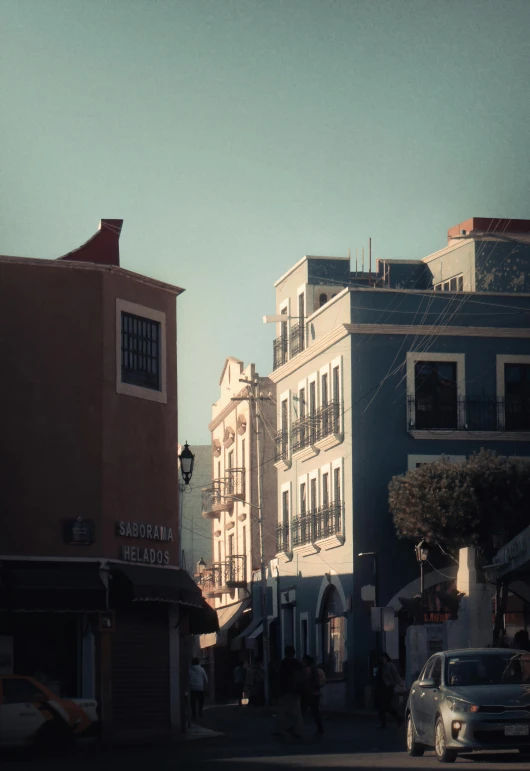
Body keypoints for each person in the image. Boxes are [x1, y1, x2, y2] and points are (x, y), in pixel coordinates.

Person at [273, 645, 304, 739]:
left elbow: (279, 678)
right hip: (296, 690)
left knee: (283, 711)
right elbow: (302, 677)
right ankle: (297, 730)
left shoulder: (283, 663)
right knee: (296, 711)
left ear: (285, 653)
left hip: (285, 690)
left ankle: (283, 729)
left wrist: (277, 691)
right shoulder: (298, 663)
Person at [375, 652, 403, 729]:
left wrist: (401, 684)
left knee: (386, 706)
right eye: (381, 658)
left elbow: (395, 675)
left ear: (386, 658)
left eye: (383, 658)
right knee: (381, 707)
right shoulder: (380, 667)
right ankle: (383, 723)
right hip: (380, 689)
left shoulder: (390, 665)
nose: (382, 659)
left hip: (388, 688)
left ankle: (398, 718)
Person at [301, 654, 324, 735]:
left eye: (303, 660)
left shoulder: (308, 669)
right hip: (315, 693)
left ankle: (296, 728)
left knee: (301, 711)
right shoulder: (315, 669)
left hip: (309, 693)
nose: (302, 662)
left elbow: (304, 680)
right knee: (314, 712)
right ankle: (320, 728)